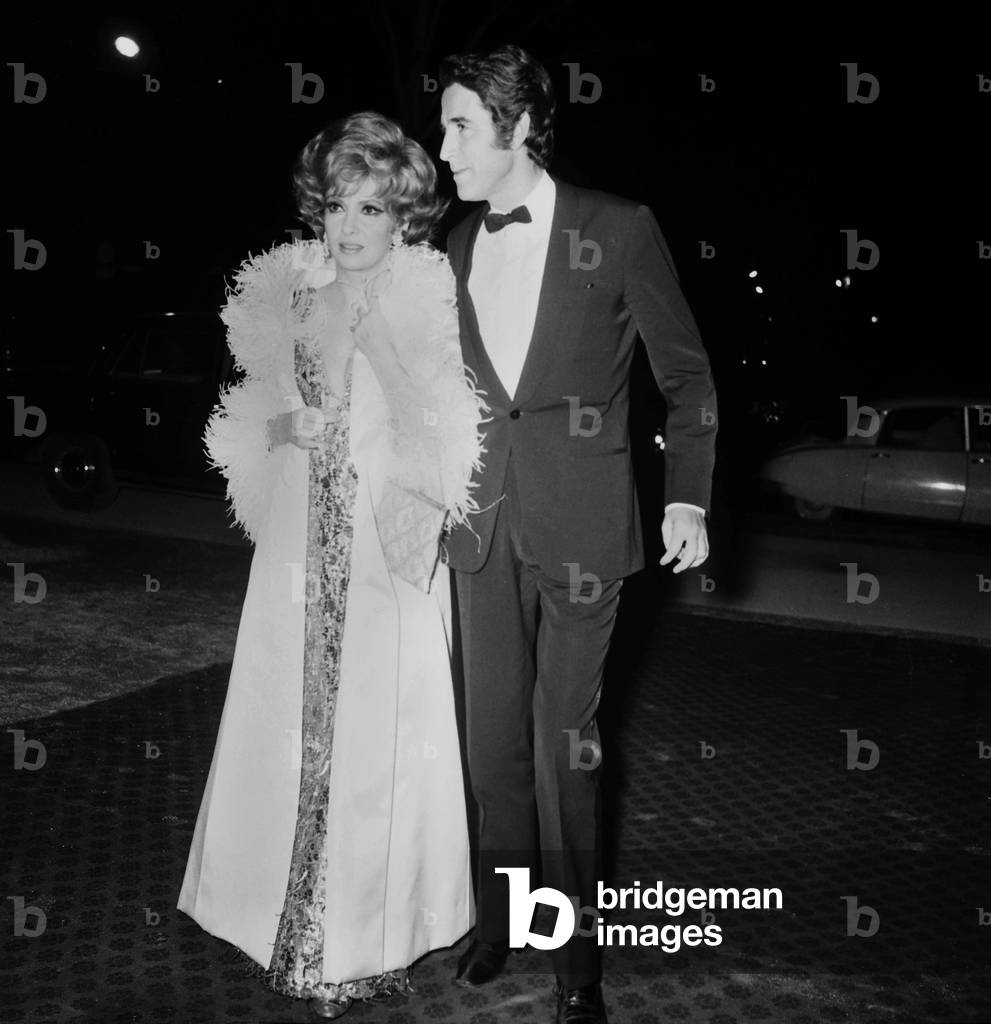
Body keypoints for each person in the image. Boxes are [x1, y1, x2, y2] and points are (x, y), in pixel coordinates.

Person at [177, 111, 486, 1019]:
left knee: (377, 741)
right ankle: (275, 914)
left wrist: (377, 340)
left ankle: (364, 937)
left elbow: (444, 430)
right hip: (297, 548)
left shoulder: (427, 295)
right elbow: (245, 428)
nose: (348, 226)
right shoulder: (294, 295)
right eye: (337, 206)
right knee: (290, 720)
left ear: (403, 218)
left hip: (384, 546)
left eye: (371, 208)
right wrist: (290, 426)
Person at [438, 45, 718, 1024]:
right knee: (491, 751)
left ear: (514, 125)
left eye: (459, 126)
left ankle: (575, 963)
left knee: (566, 746)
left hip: (585, 529)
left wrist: (688, 494)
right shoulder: (455, 241)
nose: (444, 149)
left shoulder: (619, 225)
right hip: (477, 530)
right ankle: (500, 918)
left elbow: (687, 376)